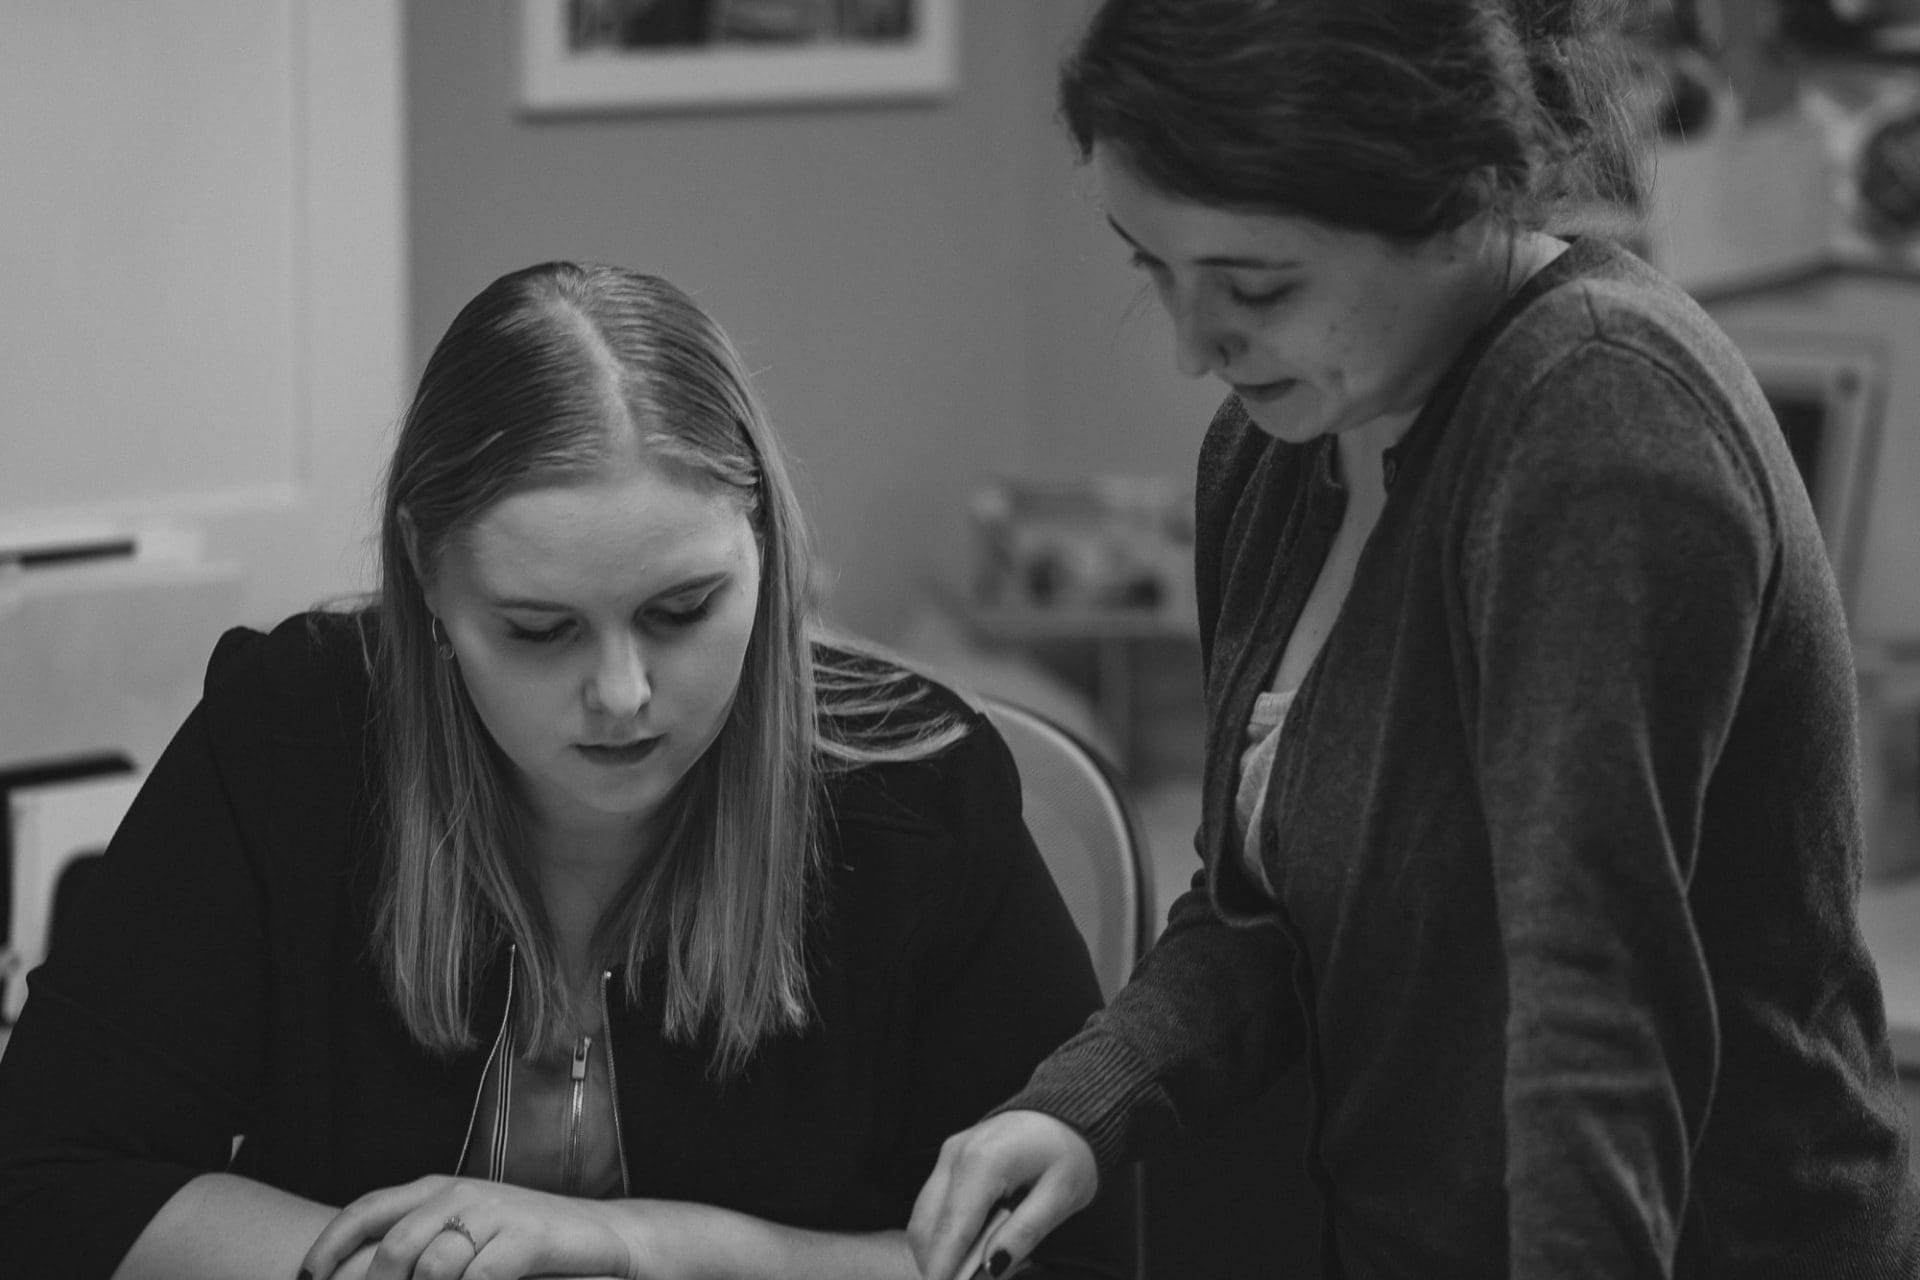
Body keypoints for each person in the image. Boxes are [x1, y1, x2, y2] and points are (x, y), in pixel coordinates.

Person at [909, 1, 1920, 1276]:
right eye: (1151, 267)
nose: (1190, 347)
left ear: (1451, 202)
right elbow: (1259, 917)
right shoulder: (1274, 453)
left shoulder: (1602, 423)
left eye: (1256, 286)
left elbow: (1597, 1035)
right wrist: (1081, 1104)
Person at [0, 263, 1130, 1280]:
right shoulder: (290, 741)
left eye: (683, 609)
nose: (623, 693)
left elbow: (1065, 1257)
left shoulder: (921, 799)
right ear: (426, 573)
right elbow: (47, 1177)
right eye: (540, 629)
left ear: (766, 549)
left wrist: (653, 1250)